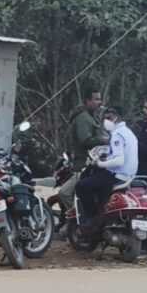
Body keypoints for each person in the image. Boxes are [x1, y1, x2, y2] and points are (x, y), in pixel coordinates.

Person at [75, 107, 138, 225]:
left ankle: (93, 218)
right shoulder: (128, 133)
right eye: (106, 118)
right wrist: (106, 159)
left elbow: (119, 161)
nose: (107, 121)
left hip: (117, 175)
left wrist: (98, 163)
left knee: (81, 186)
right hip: (129, 174)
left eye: (110, 118)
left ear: (118, 117)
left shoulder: (117, 135)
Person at [57, 84, 103, 213]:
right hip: (83, 164)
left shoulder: (91, 116)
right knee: (64, 193)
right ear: (87, 100)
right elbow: (85, 141)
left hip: (90, 164)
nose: (99, 102)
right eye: (96, 99)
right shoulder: (84, 118)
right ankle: (77, 216)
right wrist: (102, 140)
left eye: (100, 99)